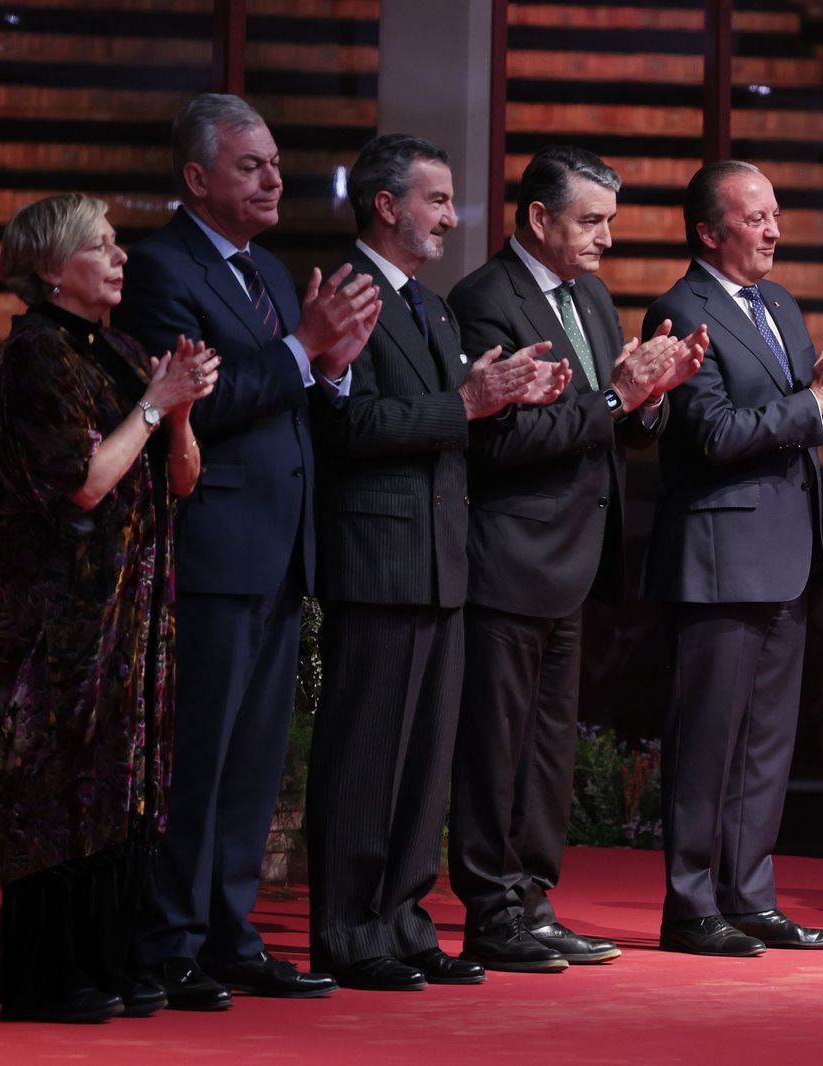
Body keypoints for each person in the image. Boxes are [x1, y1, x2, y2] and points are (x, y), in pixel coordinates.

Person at [113, 93, 380, 1008]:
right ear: (197, 178)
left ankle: (231, 932)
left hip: (282, 544)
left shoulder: (266, 266)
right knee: (200, 755)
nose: (274, 178)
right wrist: (306, 347)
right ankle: (170, 939)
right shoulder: (160, 271)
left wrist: (332, 367)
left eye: (274, 163)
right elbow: (203, 406)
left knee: (257, 758)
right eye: (251, 166)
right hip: (214, 545)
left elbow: (292, 396)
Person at [304, 134, 569, 991]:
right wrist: (466, 402)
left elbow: (450, 414)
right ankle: (349, 930)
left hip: (444, 555)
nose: (454, 218)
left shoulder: (434, 306)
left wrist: (507, 395)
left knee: (424, 758)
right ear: (388, 206)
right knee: (366, 754)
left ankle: (404, 918)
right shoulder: (346, 294)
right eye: (439, 201)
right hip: (378, 555)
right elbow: (348, 426)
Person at [445, 146, 706, 972]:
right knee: (495, 748)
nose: (606, 240)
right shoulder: (486, 299)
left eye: (609, 223)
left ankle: (534, 901)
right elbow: (502, 438)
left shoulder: (590, 296)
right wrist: (618, 398)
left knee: (548, 749)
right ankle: (491, 910)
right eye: (591, 221)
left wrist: (651, 397)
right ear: (539, 218)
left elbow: (608, 413)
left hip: (575, 557)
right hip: (510, 554)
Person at [644, 160, 823, 956]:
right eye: (755, 219)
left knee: (766, 744)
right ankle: (689, 905)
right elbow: (711, 436)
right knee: (707, 738)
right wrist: (816, 396)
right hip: (719, 556)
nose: (774, 230)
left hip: (787, 549)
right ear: (710, 232)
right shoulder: (680, 310)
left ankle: (749, 896)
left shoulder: (779, 303)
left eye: (775, 214)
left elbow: (799, 424)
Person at [0, 192, 217, 1021]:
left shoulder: (118, 348)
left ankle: (115, 960)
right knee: (62, 786)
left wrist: (179, 411)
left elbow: (180, 479)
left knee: (128, 784)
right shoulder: (37, 357)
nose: (121, 258)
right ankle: (50, 977)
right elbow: (82, 481)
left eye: (118, 244)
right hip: (61, 621)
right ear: (51, 268)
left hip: (134, 614)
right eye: (102, 246)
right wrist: (154, 406)